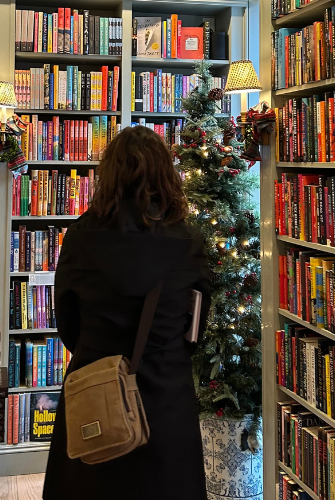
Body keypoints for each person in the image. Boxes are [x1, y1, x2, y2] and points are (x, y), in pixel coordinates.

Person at [43, 126, 211, 500]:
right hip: (167, 392)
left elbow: (66, 320)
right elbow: (196, 324)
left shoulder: (81, 235)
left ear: (110, 173)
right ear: (166, 174)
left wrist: (97, 350)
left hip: (94, 389)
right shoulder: (188, 240)